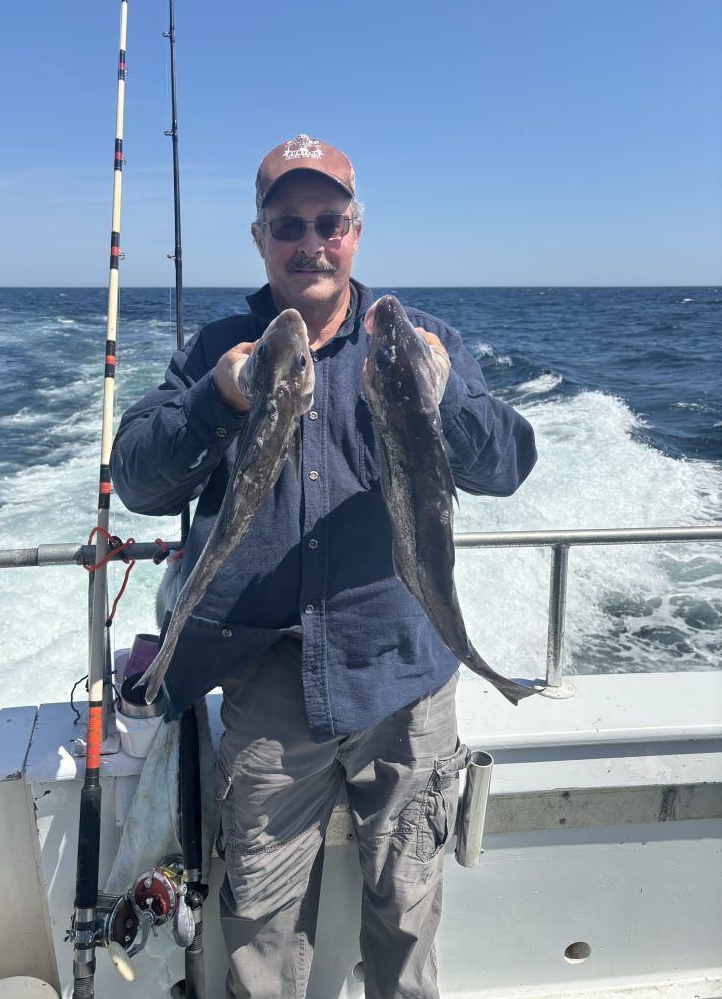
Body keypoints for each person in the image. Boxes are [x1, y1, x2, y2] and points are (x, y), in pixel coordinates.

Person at [110, 133, 537, 999]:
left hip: (404, 681)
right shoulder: (216, 351)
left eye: (329, 221)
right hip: (269, 687)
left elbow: (507, 466)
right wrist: (219, 399)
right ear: (261, 237)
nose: (311, 241)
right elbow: (138, 481)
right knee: (258, 921)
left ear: (355, 229)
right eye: (287, 223)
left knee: (409, 902)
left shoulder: (418, 340)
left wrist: (444, 390)